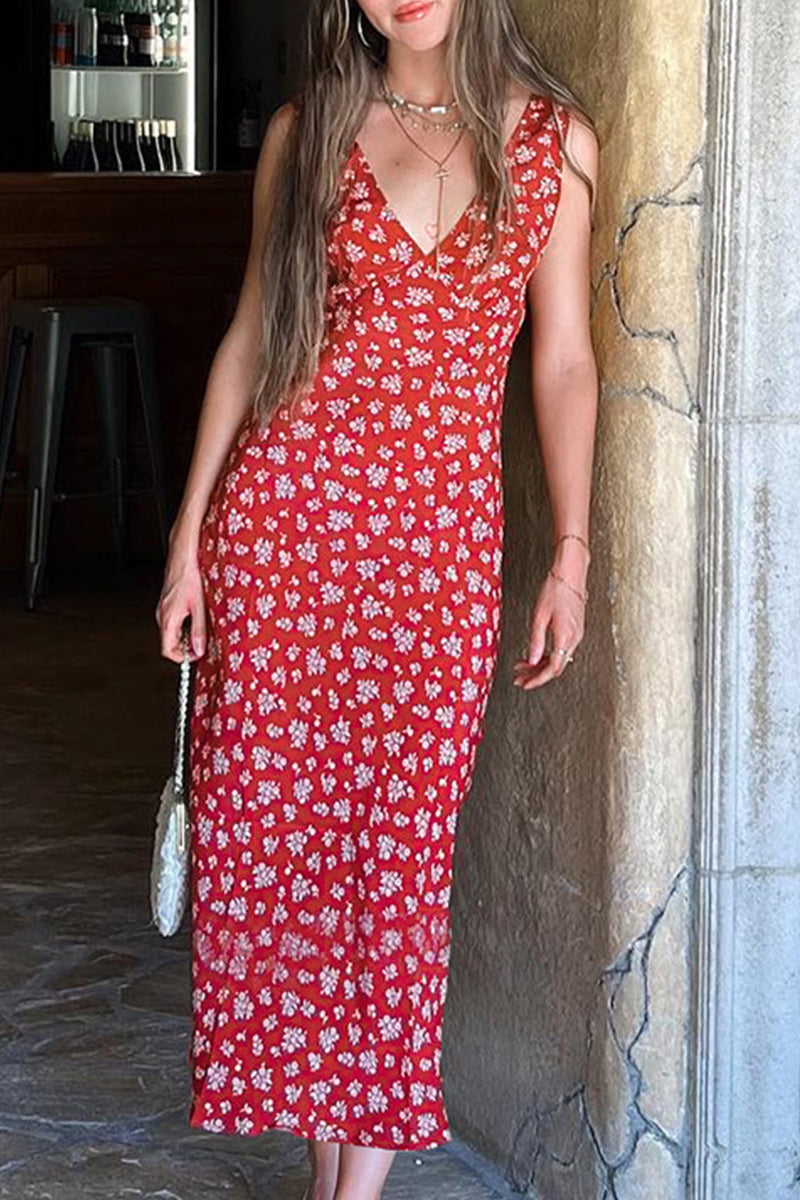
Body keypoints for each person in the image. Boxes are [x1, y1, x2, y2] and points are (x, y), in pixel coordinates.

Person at [155, 0, 598, 1197]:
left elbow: (562, 356)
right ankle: (334, 1185)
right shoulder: (308, 132)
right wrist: (189, 538)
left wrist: (569, 551)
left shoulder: (551, 140)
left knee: (399, 866)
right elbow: (253, 335)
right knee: (285, 858)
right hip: (285, 536)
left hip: (437, 564)